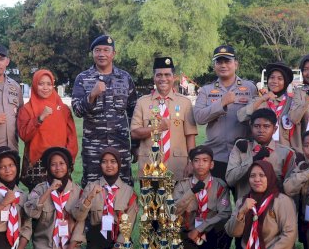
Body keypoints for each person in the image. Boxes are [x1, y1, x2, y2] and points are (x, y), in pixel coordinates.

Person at [221, 161, 298, 249]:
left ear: (270, 176)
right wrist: (242, 212)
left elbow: (289, 234)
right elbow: (232, 232)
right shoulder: (243, 201)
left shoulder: (282, 201)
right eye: (252, 176)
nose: (257, 179)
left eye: (262, 175)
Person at [71, 35, 138, 185]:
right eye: (98, 50)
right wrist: (91, 95)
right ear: (93, 54)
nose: (102, 54)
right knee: (92, 188)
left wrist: (134, 145)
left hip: (120, 145)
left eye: (106, 50)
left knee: (123, 187)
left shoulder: (125, 78)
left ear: (113, 53)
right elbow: (77, 111)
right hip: (94, 147)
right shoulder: (83, 78)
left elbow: (133, 114)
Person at [71, 149, 138, 249]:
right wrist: (90, 197)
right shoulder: (91, 187)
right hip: (97, 236)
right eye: (104, 162)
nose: (109, 165)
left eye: (113, 162)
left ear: (119, 164)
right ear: (100, 165)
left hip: (118, 237)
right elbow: (78, 216)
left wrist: (116, 248)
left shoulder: (128, 191)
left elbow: (128, 224)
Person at [193, 45, 257, 179]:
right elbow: (199, 117)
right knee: (219, 199)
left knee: (242, 199)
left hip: (243, 155)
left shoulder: (250, 88)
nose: (223, 65)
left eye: (227, 61)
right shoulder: (206, 90)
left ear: (236, 64)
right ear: (214, 66)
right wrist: (221, 103)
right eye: (219, 62)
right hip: (217, 156)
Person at [23, 147, 83, 249]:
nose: (58, 168)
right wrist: (49, 190)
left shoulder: (77, 191)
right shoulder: (39, 189)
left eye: (62, 163)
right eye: (53, 164)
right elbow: (30, 213)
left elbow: (81, 222)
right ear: (48, 168)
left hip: (69, 244)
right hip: (46, 244)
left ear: (68, 166)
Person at [131, 57, 197, 178]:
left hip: (178, 167)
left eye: (167, 75)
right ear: (154, 77)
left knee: (179, 197)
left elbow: (190, 136)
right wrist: (157, 128)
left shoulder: (185, 103)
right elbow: (134, 133)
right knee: (151, 197)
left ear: (174, 77)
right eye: (159, 75)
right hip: (150, 168)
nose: (163, 79)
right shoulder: (142, 102)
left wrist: (191, 162)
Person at [172, 146, 233, 249]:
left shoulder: (219, 185)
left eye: (205, 160)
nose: (201, 164)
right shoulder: (182, 185)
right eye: (196, 160)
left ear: (211, 164)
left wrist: (200, 228)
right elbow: (173, 211)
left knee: (226, 226)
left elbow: (225, 213)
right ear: (191, 164)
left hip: (210, 232)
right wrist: (191, 192)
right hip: (188, 233)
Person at [17, 68, 78, 188]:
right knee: (39, 199)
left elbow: (72, 136)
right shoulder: (27, 109)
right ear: (34, 85)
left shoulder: (63, 109)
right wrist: (39, 119)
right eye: (41, 84)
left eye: (49, 84)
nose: (45, 88)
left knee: (61, 198)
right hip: (37, 163)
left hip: (60, 162)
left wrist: (69, 158)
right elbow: (24, 135)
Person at [226, 108, 297, 201]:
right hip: (245, 206)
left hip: (273, 208)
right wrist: (253, 160)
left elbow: (291, 188)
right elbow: (230, 179)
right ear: (251, 127)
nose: (261, 130)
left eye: (266, 126)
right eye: (257, 126)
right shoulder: (241, 148)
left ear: (274, 129)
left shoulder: (286, 153)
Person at [239, 62, 308, 150]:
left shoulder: (293, 102)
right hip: (262, 155)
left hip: (289, 155)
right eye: (272, 77)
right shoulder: (259, 101)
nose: (275, 81)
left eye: (280, 79)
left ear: (285, 82)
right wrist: (263, 98)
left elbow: (305, 127)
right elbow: (241, 117)